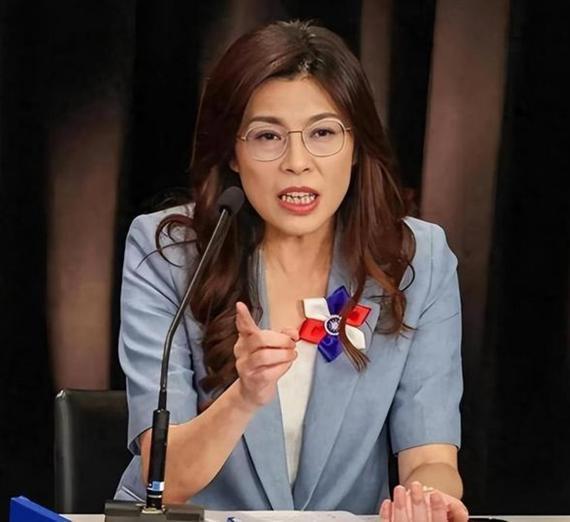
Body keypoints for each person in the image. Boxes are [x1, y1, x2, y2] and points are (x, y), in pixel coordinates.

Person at [114, 20, 468, 521]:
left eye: (323, 132)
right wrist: (244, 396)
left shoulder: (416, 258)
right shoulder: (169, 254)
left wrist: (427, 500)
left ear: (356, 146)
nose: (297, 162)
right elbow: (165, 483)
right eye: (267, 136)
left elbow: (431, 457)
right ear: (233, 153)